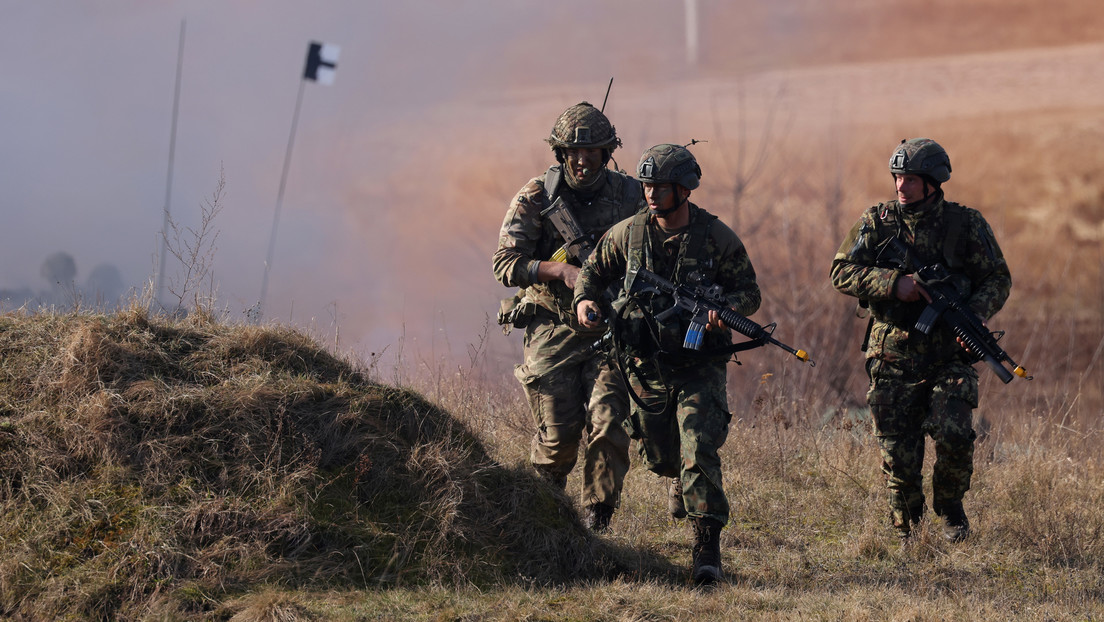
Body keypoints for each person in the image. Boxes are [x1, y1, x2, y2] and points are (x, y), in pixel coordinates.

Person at [574, 143, 761, 585]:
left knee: (697, 446)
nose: (651, 194)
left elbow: (750, 294)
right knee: (615, 431)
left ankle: (706, 548)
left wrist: (723, 308)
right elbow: (592, 272)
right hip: (634, 359)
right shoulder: (627, 234)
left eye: (660, 186)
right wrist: (584, 301)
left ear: (684, 189)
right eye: (646, 185)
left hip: (696, 363)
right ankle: (596, 523)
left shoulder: (716, 237)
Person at [830, 138, 1011, 542]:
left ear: (932, 182)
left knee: (954, 434)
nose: (900, 186)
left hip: (949, 354)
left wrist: (977, 314)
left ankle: (950, 510)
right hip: (892, 353)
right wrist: (894, 283)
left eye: (910, 178)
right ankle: (908, 524)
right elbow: (841, 272)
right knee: (897, 449)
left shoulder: (966, 224)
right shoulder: (876, 222)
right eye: (897, 177)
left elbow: (997, 278)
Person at [492, 102, 644, 532]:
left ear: (606, 151)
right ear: (560, 153)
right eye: (573, 152)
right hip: (553, 326)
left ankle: (598, 522)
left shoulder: (631, 196)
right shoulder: (538, 197)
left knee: (610, 423)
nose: (582, 160)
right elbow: (504, 263)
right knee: (558, 443)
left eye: (592, 152)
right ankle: (545, 522)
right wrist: (558, 269)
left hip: (608, 329)